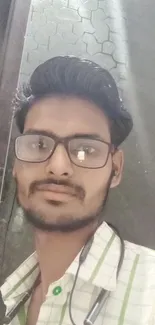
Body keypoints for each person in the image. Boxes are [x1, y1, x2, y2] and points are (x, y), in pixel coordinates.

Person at [1, 56, 155, 325]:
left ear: (115, 169)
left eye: (86, 149)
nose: (58, 167)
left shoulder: (149, 291)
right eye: (38, 144)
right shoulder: (14, 296)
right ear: (16, 163)